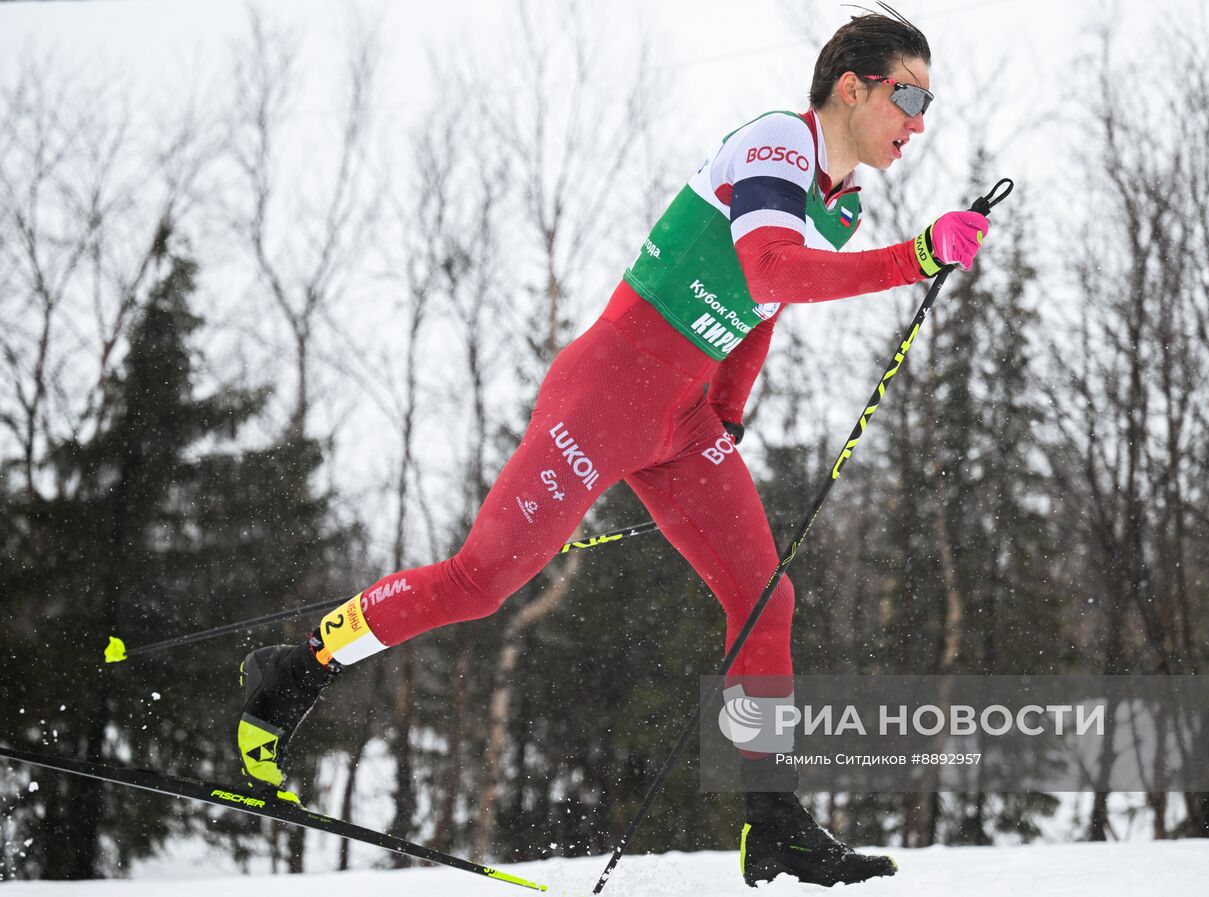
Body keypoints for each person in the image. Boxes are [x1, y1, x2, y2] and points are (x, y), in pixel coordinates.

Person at [236, 5, 987, 887]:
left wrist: (732, 403)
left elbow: (761, 313)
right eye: (907, 94)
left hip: (681, 420)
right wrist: (918, 257)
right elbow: (768, 270)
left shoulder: (843, 205)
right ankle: (298, 665)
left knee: (764, 600)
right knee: (482, 582)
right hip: (606, 392)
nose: (918, 120)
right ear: (853, 86)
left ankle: (771, 816)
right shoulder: (780, 143)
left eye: (926, 102)